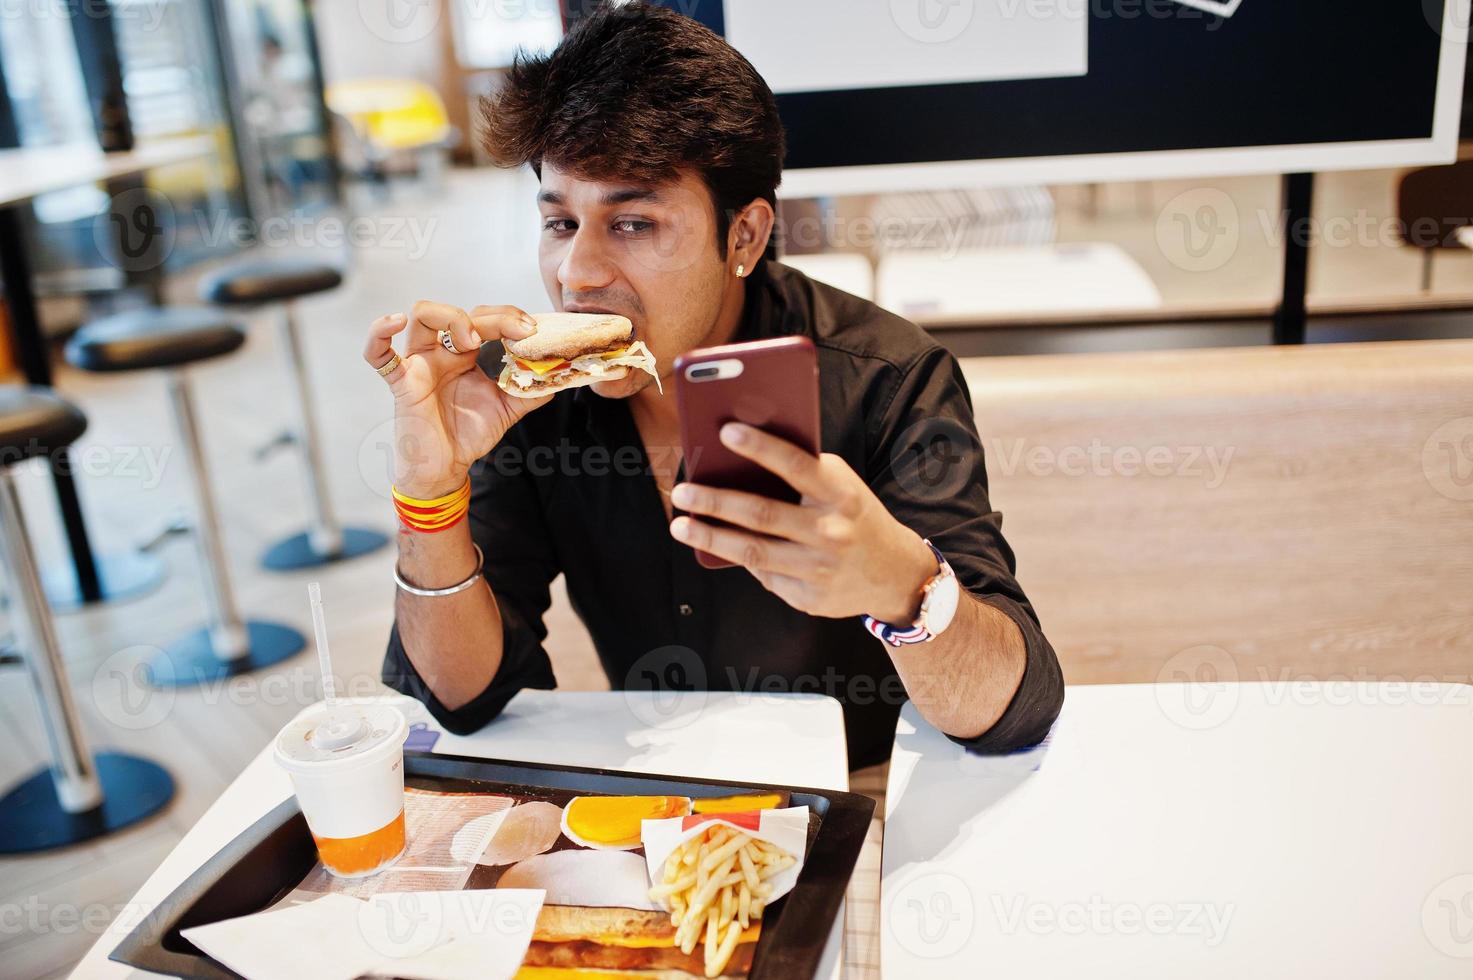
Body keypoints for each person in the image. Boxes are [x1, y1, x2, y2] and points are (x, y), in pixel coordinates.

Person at [363, 1, 1063, 771]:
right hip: (656, 811)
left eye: (633, 225)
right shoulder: (524, 389)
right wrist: (430, 496)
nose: (576, 275)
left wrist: (903, 586)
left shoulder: (886, 378)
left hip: (862, 793)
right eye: (560, 223)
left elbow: (1010, 715)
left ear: (746, 235)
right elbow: (464, 698)